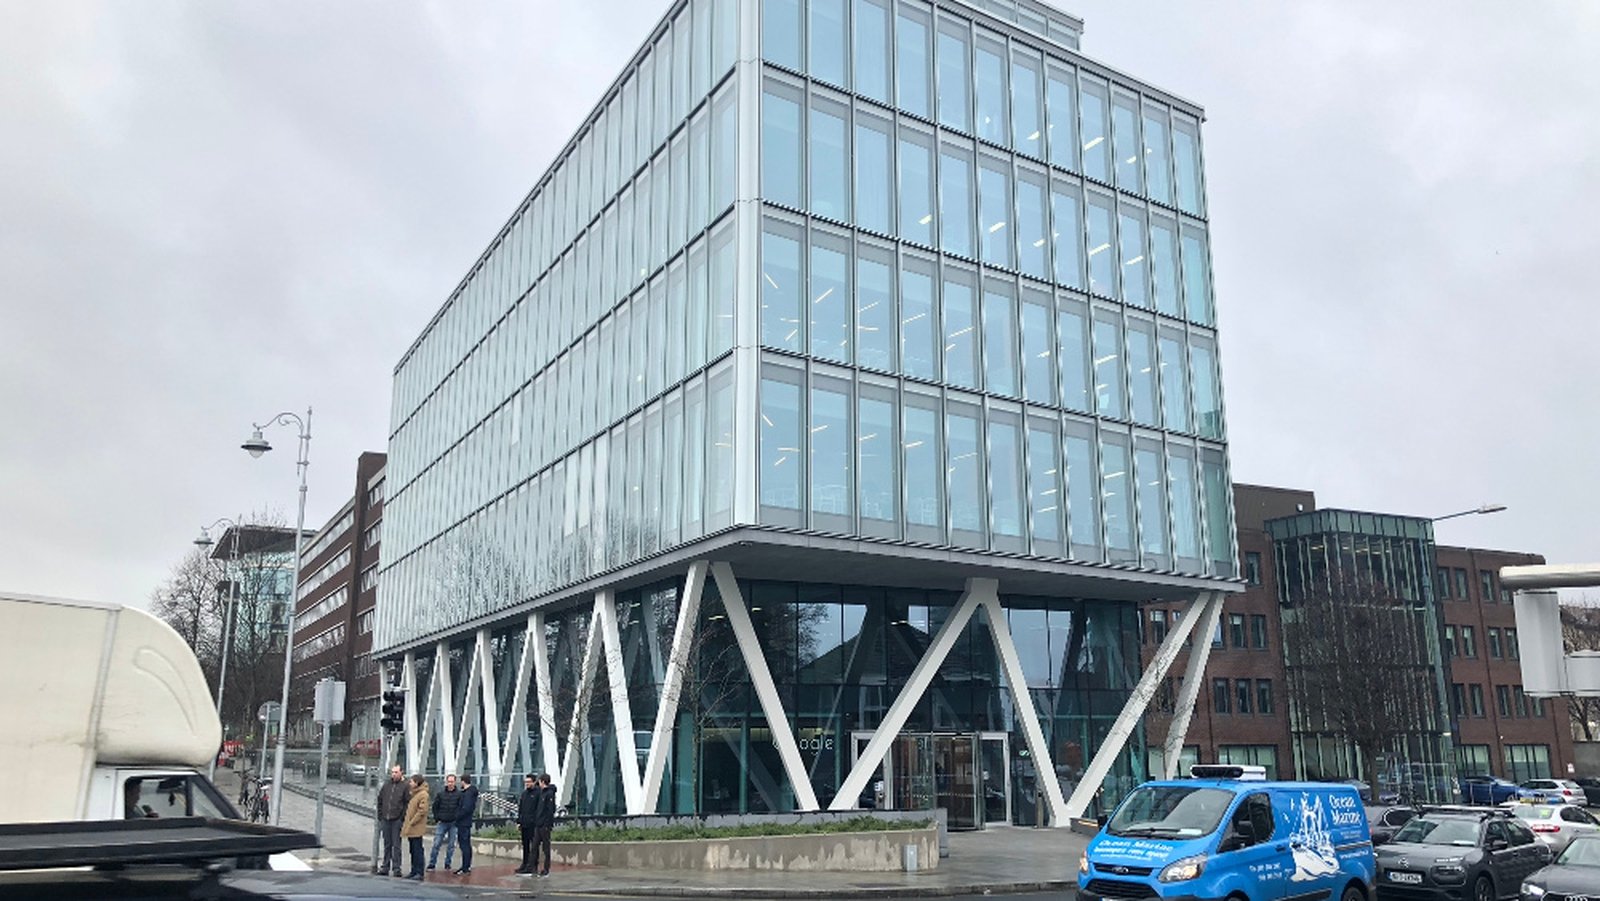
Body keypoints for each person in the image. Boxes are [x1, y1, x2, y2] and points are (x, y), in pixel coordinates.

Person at [375, 765, 410, 877]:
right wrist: (380, 815)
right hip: (386, 818)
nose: (394, 774)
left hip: (396, 819)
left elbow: (407, 803)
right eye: (392, 772)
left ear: (401, 773)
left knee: (396, 845)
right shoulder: (387, 785)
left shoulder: (405, 786)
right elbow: (380, 800)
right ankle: (385, 866)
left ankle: (396, 868)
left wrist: (401, 818)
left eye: (396, 772)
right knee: (387, 844)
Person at [427, 774, 461, 871]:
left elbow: (460, 807)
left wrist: (457, 818)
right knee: (436, 843)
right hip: (442, 822)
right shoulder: (441, 794)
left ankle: (447, 863)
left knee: (451, 845)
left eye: (452, 781)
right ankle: (432, 864)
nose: (450, 783)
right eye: (449, 781)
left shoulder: (459, 795)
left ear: (455, 782)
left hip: (453, 823)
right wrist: (437, 818)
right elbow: (435, 807)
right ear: (446, 782)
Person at [402, 775, 429, 881]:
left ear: (417, 783)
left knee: (418, 849)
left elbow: (422, 810)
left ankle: (419, 871)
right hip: (412, 826)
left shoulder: (423, 794)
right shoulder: (414, 793)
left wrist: (412, 821)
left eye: (412, 782)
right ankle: (414, 870)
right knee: (412, 849)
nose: (410, 783)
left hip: (416, 827)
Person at [453, 773, 479, 875]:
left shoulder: (468, 794)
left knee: (464, 845)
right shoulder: (469, 792)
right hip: (465, 822)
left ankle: (465, 867)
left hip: (463, 822)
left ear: (463, 781)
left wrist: (457, 816)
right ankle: (465, 866)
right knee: (465, 845)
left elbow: (466, 808)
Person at [532, 773, 556, 877]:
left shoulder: (549, 794)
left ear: (543, 781)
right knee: (534, 846)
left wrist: (547, 824)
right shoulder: (541, 793)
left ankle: (546, 869)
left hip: (544, 825)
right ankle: (534, 867)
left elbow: (550, 810)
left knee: (546, 848)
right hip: (538, 824)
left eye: (540, 782)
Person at [515, 774, 539, 875]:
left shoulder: (538, 793)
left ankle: (533, 866)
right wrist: (519, 822)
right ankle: (524, 864)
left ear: (534, 782)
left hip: (533, 824)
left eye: (529, 782)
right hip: (524, 824)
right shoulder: (524, 794)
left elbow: (539, 809)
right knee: (525, 846)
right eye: (526, 782)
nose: (527, 784)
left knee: (534, 846)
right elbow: (521, 809)